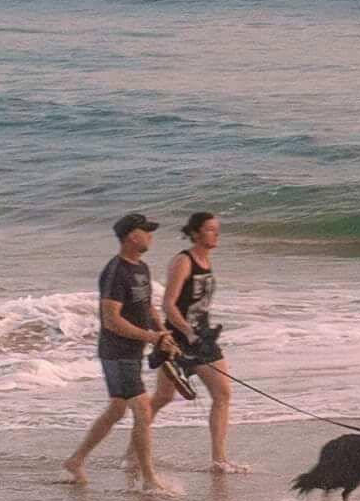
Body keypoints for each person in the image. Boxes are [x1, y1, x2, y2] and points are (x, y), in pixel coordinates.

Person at [66, 207, 170, 484]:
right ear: (131, 237)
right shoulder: (114, 272)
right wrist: (151, 338)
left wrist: (162, 333)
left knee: (117, 409)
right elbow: (111, 321)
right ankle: (150, 479)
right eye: (145, 231)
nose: (150, 236)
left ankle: (75, 461)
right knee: (142, 410)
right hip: (116, 351)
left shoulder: (142, 268)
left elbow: (147, 307)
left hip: (133, 351)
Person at [154, 206, 238, 473]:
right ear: (195, 233)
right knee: (163, 398)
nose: (216, 234)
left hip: (204, 337)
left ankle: (218, 459)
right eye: (211, 230)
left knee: (222, 393)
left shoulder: (206, 260)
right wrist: (187, 333)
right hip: (179, 338)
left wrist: (201, 333)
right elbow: (168, 304)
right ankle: (133, 451)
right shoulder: (184, 261)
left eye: (217, 229)